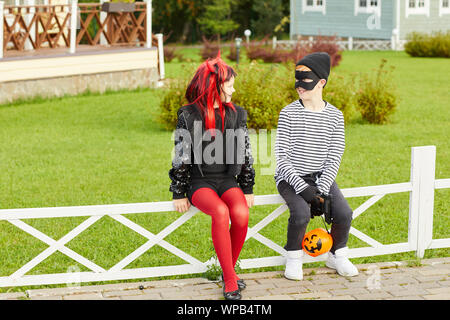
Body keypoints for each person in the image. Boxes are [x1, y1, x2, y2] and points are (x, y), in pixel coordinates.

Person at [168, 54, 255, 300]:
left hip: (227, 180)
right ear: (214, 87)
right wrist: (178, 192)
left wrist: (247, 187)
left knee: (240, 213)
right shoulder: (189, 115)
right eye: (230, 86)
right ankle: (229, 280)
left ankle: (227, 270)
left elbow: (245, 152)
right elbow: (181, 155)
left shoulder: (237, 114)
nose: (234, 89)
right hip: (199, 182)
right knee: (220, 212)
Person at [274, 52, 359, 280]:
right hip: (290, 178)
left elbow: (334, 156)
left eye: (306, 79)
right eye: (297, 78)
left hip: (321, 177)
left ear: (321, 82)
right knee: (301, 213)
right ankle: (293, 258)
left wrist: (320, 191)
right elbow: (282, 158)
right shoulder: (288, 113)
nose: (299, 85)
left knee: (343, 212)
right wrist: (304, 191)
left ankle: (337, 254)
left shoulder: (335, 116)